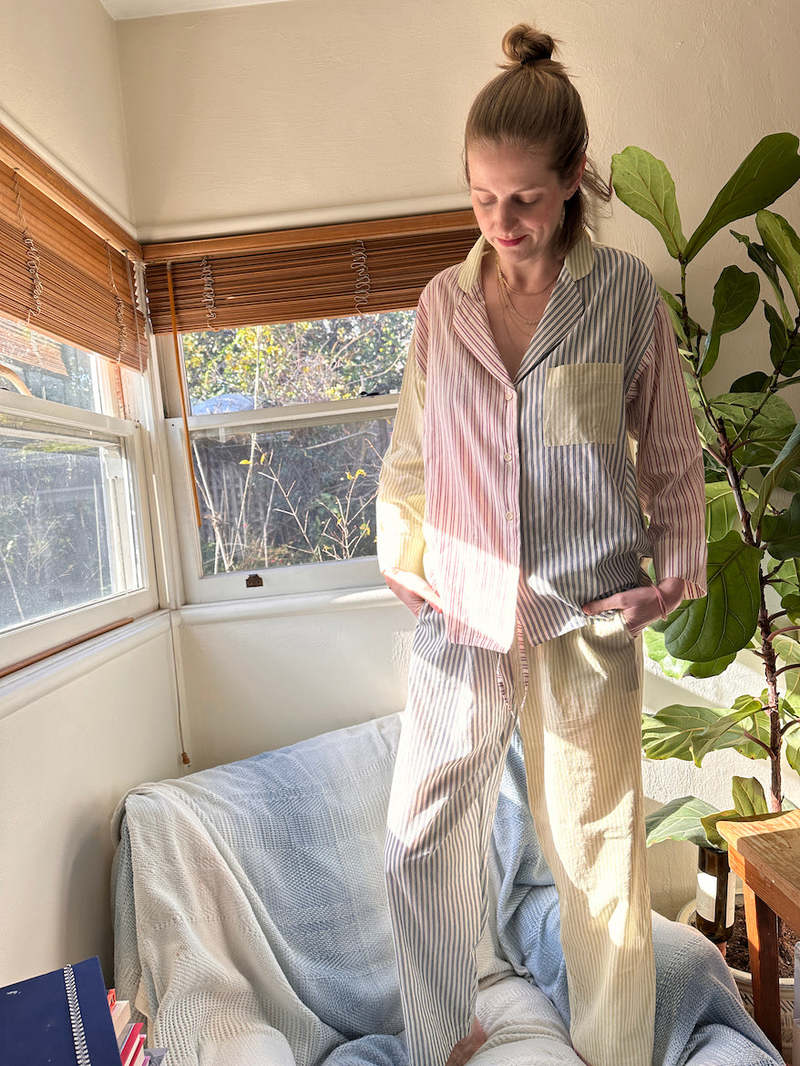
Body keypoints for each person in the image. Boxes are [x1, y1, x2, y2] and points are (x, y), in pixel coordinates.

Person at [376, 22, 707, 1066]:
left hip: (586, 610)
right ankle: (445, 1031)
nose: (501, 221)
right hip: (461, 606)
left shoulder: (624, 296)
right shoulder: (441, 305)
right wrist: (400, 552)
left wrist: (670, 580)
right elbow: (410, 450)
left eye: (523, 197)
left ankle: (612, 1052)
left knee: (596, 853)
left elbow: (669, 449)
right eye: (481, 197)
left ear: (572, 179)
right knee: (418, 840)